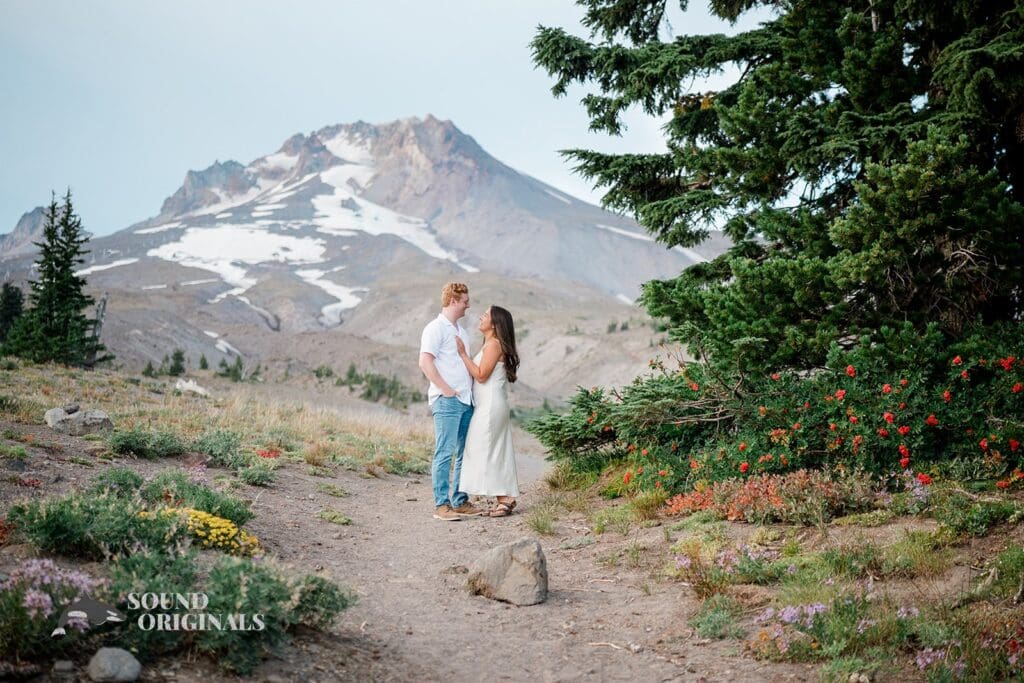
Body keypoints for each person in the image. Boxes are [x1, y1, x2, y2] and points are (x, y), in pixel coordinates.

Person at [419, 282, 484, 521]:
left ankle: (459, 500)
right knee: (444, 451)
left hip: (466, 401)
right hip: (447, 400)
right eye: (465, 300)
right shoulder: (435, 328)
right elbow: (425, 362)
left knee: (464, 452)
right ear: (454, 300)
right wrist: (445, 389)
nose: (468, 304)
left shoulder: (461, 332)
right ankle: (441, 505)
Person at [455, 305, 521, 517]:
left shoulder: (493, 344)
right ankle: (504, 498)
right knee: (493, 450)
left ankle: (505, 498)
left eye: (486, 315)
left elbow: (482, 375)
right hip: (489, 404)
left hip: (491, 405)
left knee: (485, 449)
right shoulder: (491, 344)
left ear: (495, 323)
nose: (481, 317)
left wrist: (463, 355)